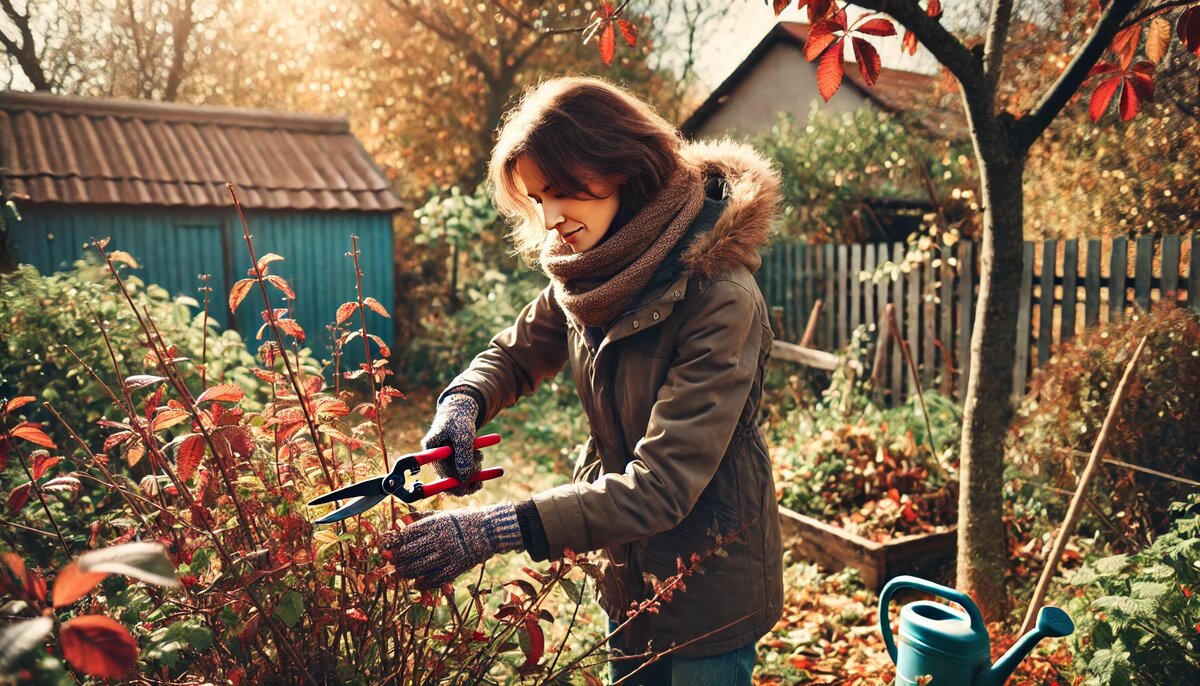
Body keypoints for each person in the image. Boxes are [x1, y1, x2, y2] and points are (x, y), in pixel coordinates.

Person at [382, 75, 784, 685]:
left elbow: (663, 486)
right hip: (627, 574)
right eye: (536, 198)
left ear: (620, 165)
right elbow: (515, 355)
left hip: (709, 586)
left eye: (562, 191)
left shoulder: (721, 298)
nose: (550, 219)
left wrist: (494, 527)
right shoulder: (593, 273)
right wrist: (462, 402)